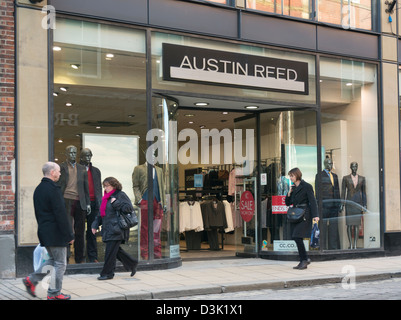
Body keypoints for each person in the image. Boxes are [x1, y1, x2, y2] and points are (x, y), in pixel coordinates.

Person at [23, 162, 74, 300]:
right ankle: (54, 294)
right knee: (60, 263)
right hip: (56, 233)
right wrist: (69, 234)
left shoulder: (39, 189)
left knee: (53, 260)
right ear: (52, 172)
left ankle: (31, 280)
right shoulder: (53, 189)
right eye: (58, 171)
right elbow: (61, 214)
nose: (60, 173)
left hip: (45, 231)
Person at [91, 177, 138, 280]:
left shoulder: (120, 195)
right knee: (115, 251)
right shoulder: (106, 198)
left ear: (114, 185)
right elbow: (101, 214)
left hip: (117, 229)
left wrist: (116, 203)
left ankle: (107, 273)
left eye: (107, 185)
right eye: (105, 186)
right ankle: (132, 263)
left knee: (109, 253)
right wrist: (95, 225)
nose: (106, 188)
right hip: (108, 229)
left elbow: (128, 208)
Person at [58, 145, 91, 263]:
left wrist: (87, 203)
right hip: (66, 199)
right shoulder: (61, 167)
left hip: (79, 201)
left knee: (80, 230)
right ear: (66, 154)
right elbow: (58, 185)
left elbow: (85, 187)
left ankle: (79, 257)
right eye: (70, 153)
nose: (73, 155)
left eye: (74, 153)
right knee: (66, 229)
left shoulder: (82, 168)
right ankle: (65, 256)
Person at [285, 167, 319, 270]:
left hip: (305, 215)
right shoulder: (293, 188)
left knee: (297, 236)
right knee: (296, 237)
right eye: (290, 176)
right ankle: (305, 259)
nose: (290, 178)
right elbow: (287, 203)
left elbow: (313, 201)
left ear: (297, 175)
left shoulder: (307, 186)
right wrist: (289, 193)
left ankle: (304, 260)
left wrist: (315, 215)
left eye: (292, 176)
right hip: (296, 215)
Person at [132, 162, 165, 260]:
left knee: (157, 228)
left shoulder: (159, 170)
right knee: (145, 227)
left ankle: (156, 252)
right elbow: (135, 186)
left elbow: (162, 187)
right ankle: (145, 252)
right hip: (145, 200)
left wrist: (163, 202)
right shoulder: (138, 168)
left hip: (158, 201)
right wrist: (139, 200)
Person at [80, 148, 102, 262]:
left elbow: (98, 189)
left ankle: (92, 257)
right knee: (79, 231)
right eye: (85, 155)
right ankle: (80, 257)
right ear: (81, 157)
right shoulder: (78, 170)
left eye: (89, 155)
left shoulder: (96, 171)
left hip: (94, 204)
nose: (88, 158)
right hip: (81, 204)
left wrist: (100, 205)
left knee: (92, 231)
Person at [315, 158, 341, 250]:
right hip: (324, 206)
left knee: (333, 228)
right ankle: (322, 247)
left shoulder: (335, 176)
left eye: (331, 163)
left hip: (334, 206)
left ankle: (333, 248)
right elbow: (317, 192)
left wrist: (339, 203)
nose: (330, 165)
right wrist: (318, 205)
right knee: (323, 228)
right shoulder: (319, 175)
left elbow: (337, 191)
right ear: (325, 164)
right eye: (329, 163)